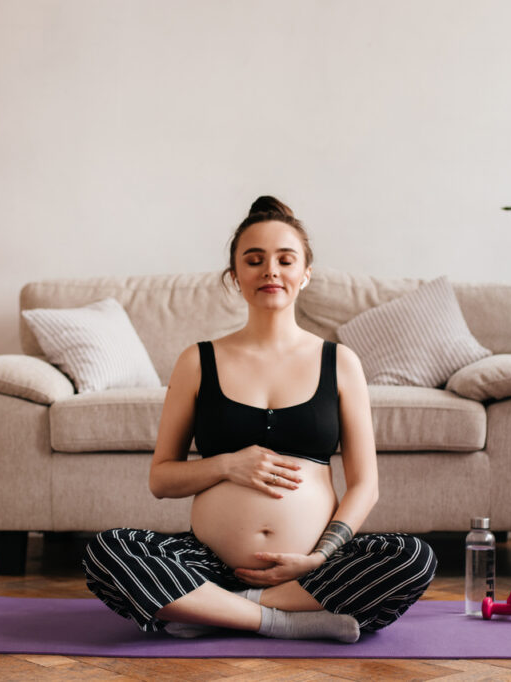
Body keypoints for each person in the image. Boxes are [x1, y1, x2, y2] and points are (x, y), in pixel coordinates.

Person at [83, 196, 436, 643]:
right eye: (254, 260)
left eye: (285, 260)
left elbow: (366, 484)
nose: (270, 270)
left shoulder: (340, 362)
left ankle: (213, 610)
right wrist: (227, 465)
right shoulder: (197, 360)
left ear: (305, 273)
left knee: (413, 557)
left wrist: (320, 556)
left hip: (310, 565)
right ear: (235, 276)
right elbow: (161, 479)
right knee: (108, 550)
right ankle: (281, 621)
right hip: (209, 563)